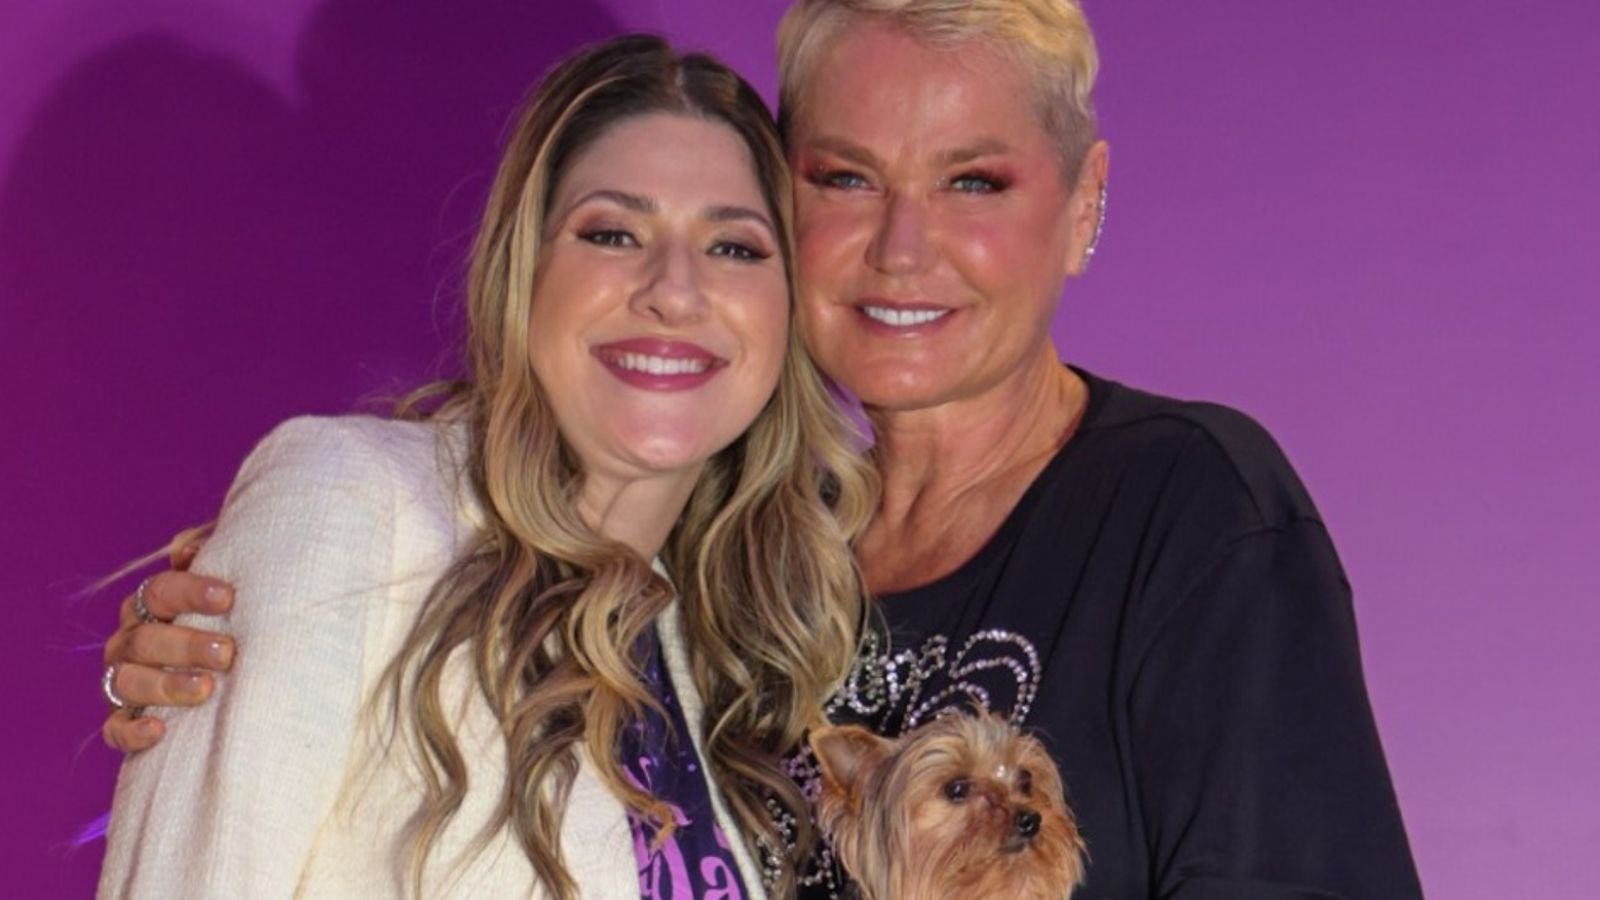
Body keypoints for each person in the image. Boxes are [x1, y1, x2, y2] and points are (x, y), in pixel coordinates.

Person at [100, 1, 1425, 897]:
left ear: (1082, 207)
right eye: (844, 178)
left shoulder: (1191, 510)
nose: (901, 247)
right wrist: (265, 615)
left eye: (973, 181)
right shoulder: (742, 560)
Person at [97, 34, 875, 900]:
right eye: (612, 233)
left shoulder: (712, 642)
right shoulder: (351, 499)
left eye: (734, 247)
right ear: (525, 269)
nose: (675, 290)